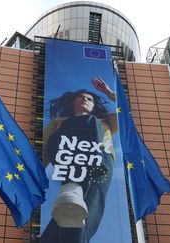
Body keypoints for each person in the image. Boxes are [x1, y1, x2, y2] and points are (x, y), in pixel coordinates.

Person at [41, 77, 117, 243]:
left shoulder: (106, 122)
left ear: (93, 105)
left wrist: (109, 93)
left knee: (82, 213)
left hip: (99, 161)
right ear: (73, 101)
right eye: (81, 97)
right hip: (66, 154)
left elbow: (127, 111)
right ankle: (71, 187)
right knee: (69, 126)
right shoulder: (59, 123)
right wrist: (37, 174)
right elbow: (44, 149)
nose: (85, 99)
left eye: (90, 99)